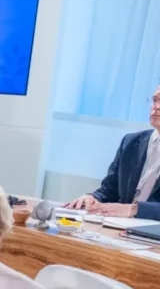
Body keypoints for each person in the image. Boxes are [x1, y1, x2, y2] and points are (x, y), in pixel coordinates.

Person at [65, 83, 160, 220]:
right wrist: (93, 197)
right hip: (121, 226)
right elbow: (110, 189)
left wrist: (134, 209)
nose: (156, 107)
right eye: (155, 100)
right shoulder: (132, 142)